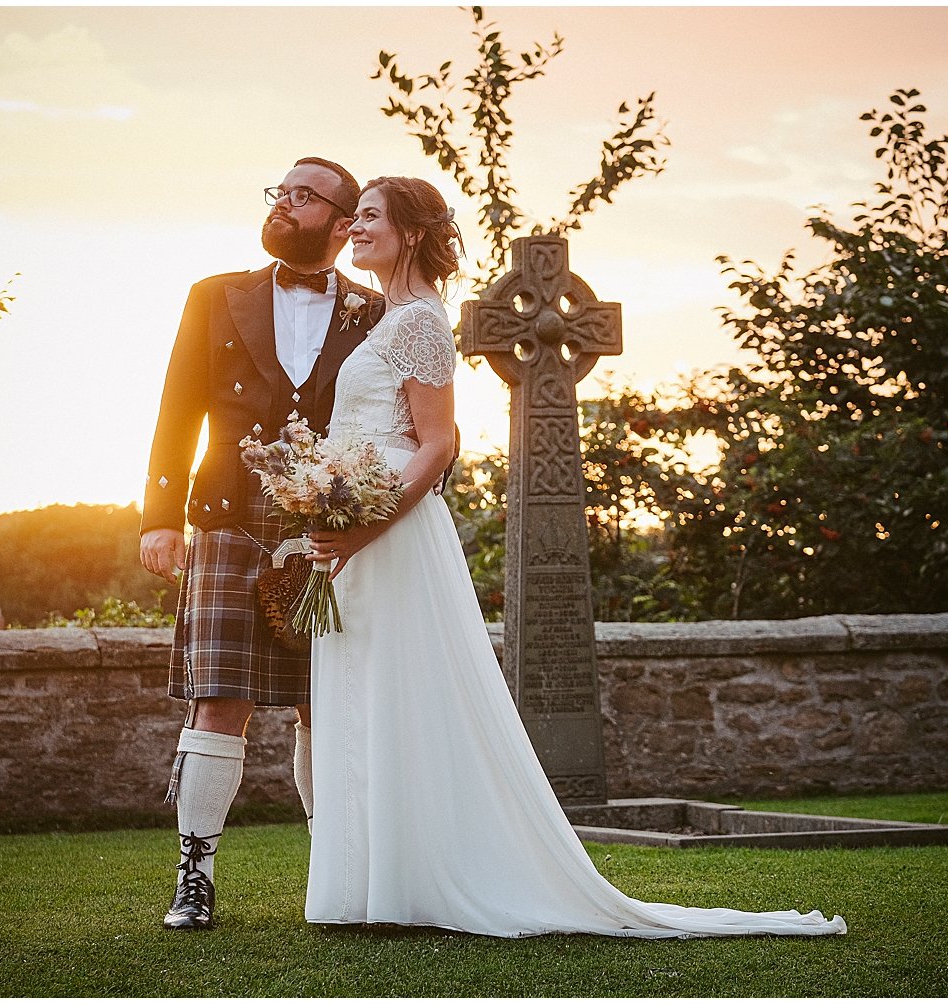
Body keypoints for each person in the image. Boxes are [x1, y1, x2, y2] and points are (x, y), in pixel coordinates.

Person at [301, 176, 847, 938]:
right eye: (352, 216)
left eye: (368, 217)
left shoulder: (420, 323)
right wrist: (322, 499)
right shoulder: (382, 318)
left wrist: (364, 527)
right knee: (364, 697)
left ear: (412, 232)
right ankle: (369, 886)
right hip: (355, 525)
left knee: (402, 694)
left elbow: (437, 444)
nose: (352, 227)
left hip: (392, 533)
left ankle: (414, 882)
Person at [140, 157, 384, 931]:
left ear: (343, 223)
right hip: (229, 514)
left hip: (330, 524)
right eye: (279, 191)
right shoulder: (215, 296)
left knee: (328, 704)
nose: (284, 204)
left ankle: (337, 868)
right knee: (220, 702)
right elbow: (177, 403)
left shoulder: (375, 311)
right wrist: (158, 513)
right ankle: (194, 876)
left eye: (303, 196)